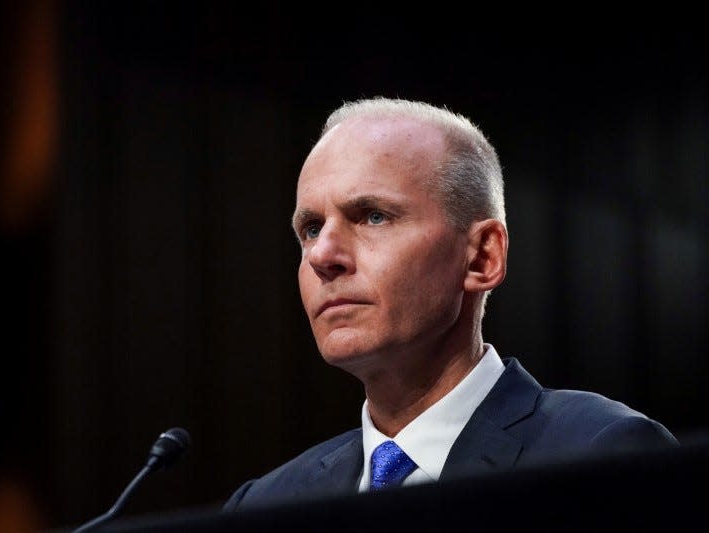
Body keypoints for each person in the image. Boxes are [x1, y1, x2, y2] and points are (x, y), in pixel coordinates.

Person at [223, 96, 679, 511]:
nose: (323, 256)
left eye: (374, 216)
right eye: (311, 228)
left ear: (482, 256)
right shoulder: (265, 505)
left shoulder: (602, 456)